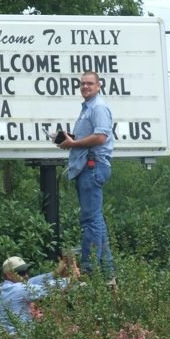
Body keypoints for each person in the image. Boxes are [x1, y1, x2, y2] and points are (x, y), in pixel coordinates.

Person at [54, 70, 115, 276]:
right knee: (96, 219)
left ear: (99, 86)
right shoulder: (88, 108)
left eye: (89, 83)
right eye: (82, 84)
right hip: (88, 166)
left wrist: (74, 143)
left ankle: (89, 268)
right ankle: (107, 271)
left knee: (90, 220)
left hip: (93, 166)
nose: (85, 87)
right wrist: (69, 138)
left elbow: (100, 137)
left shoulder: (98, 107)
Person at [0, 254, 76, 339]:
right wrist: (71, 279)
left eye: (26, 271)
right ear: (9, 275)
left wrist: (56, 272)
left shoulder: (2, 288)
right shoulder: (18, 289)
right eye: (21, 272)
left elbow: (34, 281)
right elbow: (49, 288)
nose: (26, 275)